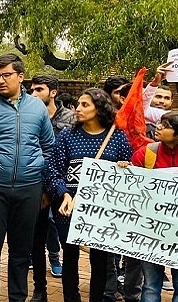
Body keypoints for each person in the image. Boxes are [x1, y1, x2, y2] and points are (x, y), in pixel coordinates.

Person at [0, 53, 55, 302]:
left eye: (7, 75)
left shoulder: (37, 107)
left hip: (30, 188)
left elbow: (49, 147)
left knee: (21, 252)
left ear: (21, 76)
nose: (1, 80)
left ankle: (18, 297)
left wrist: (45, 187)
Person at [47, 88, 132, 302]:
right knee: (71, 256)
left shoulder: (117, 137)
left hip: (102, 212)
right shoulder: (67, 135)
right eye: (78, 104)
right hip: (69, 208)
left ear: (99, 109)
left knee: (100, 260)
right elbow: (53, 170)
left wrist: (125, 167)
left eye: (86, 105)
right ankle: (71, 298)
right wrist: (64, 194)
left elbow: (128, 173)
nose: (78, 109)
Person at [29, 75, 75, 302]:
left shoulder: (71, 119)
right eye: (32, 90)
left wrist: (57, 189)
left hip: (64, 190)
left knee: (68, 242)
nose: (34, 94)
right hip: (37, 187)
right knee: (36, 242)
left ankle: (70, 291)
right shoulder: (29, 116)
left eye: (39, 89)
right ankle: (40, 289)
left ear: (53, 92)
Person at [128, 111, 178, 302]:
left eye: (165, 125)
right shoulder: (147, 153)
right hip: (151, 232)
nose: (158, 127)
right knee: (150, 286)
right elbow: (129, 188)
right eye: (159, 123)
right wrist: (126, 171)